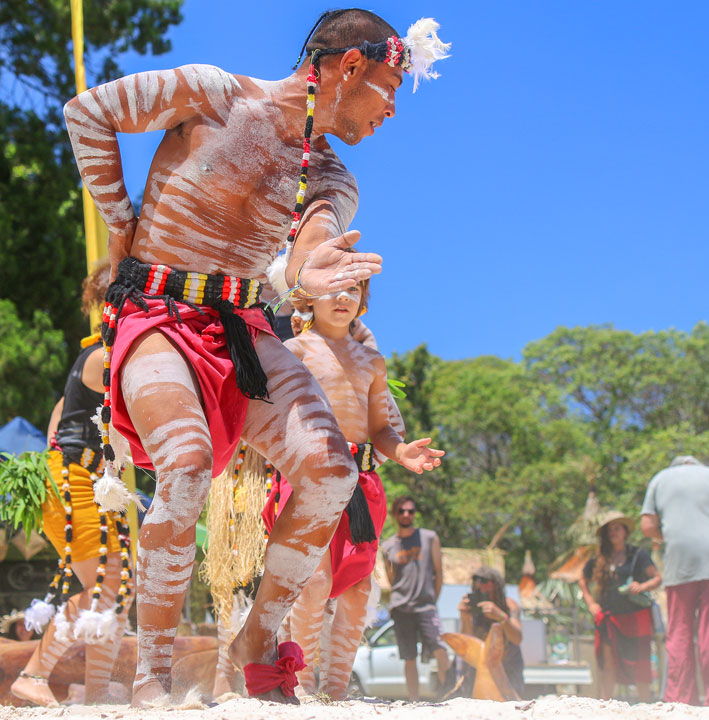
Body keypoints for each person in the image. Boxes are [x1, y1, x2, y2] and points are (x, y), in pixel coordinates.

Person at [62, 8, 449, 705]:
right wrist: (122, 223)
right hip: (155, 313)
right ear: (349, 67)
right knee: (182, 464)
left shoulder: (331, 175)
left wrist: (308, 271)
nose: (392, 109)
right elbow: (89, 112)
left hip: (240, 328)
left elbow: (312, 239)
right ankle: (151, 673)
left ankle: (258, 639)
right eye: (390, 87)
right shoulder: (214, 92)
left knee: (331, 471)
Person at [262, 279, 441, 699]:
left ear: (363, 300)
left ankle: (337, 690)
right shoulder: (293, 353)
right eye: (333, 289)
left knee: (360, 588)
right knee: (314, 580)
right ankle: (304, 686)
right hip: (309, 480)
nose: (343, 298)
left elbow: (379, 428)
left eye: (353, 291)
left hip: (362, 485)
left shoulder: (371, 362)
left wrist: (401, 452)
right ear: (308, 298)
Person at [10, 262, 134, 707]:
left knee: (118, 586)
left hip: (81, 479)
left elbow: (59, 415)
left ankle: (98, 691)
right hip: (73, 479)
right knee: (108, 584)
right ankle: (34, 673)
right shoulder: (104, 357)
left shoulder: (98, 356)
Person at [641, 456, 709, 706]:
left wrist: (670, 533)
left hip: (679, 557)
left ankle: (681, 699)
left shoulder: (661, 479)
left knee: (680, 629)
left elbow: (648, 526)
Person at [578, 511, 661, 702]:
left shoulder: (637, 555)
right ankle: (606, 706)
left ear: (625, 531)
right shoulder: (600, 557)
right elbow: (582, 580)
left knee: (641, 664)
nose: (613, 533)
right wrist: (591, 603)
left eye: (617, 528)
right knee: (608, 664)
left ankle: (645, 707)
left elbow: (657, 578)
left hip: (636, 617)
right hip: (609, 617)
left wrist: (641, 586)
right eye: (609, 530)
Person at [381, 496, 451, 701]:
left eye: (411, 511)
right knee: (409, 657)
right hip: (401, 607)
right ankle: (414, 700)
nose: (406, 515)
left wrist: (432, 600)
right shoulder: (388, 546)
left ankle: (448, 693)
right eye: (402, 511)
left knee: (439, 648)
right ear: (395, 514)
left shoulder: (429, 537)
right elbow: (391, 579)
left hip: (426, 606)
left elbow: (439, 572)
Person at [458, 567, 524, 697]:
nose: (483, 590)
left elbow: (517, 638)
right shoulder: (473, 607)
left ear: (497, 587)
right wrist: (465, 618)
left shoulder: (509, 606)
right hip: (480, 669)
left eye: (488, 587)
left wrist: (501, 617)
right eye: (479, 587)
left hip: (508, 668)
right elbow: (467, 644)